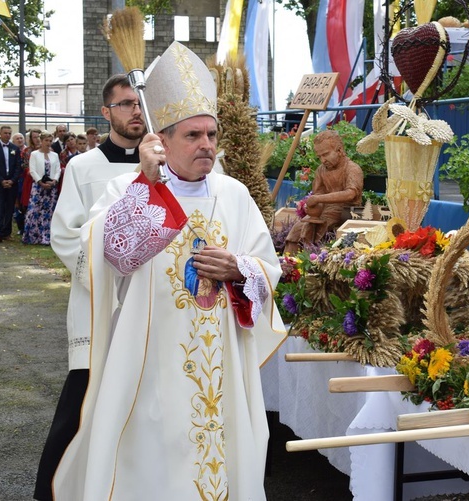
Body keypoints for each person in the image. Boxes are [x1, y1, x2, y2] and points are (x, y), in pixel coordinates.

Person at [52, 42, 285, 501]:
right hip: (151, 357)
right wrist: (146, 187)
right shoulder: (128, 188)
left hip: (220, 364)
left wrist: (239, 268)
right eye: (194, 136)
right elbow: (110, 258)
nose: (207, 146)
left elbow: (268, 269)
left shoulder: (234, 194)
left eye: (212, 136)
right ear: (164, 139)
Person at [33, 74, 148, 501]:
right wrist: (112, 272)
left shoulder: (164, 164)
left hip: (151, 304)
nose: (135, 111)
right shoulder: (83, 166)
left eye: (139, 104)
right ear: (106, 112)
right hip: (99, 303)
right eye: (125, 104)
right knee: (81, 405)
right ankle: (52, 491)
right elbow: (64, 235)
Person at [284, 129, 364, 254]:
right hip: (324, 210)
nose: (322, 160)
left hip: (347, 211)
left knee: (320, 225)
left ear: (339, 150)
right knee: (298, 229)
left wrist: (319, 199)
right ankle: (289, 263)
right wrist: (311, 204)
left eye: (326, 154)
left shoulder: (352, 168)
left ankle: (313, 259)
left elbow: (351, 193)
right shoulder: (321, 170)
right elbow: (318, 193)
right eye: (319, 156)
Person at [22, 131, 60, 245]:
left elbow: (58, 169)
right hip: (38, 187)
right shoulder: (34, 154)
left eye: (50, 141)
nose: (48, 143)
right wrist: (40, 182)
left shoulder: (55, 155)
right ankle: (33, 236)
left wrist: (54, 180)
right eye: (46, 141)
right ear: (41, 141)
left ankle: (47, 236)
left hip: (51, 187)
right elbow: (32, 170)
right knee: (35, 210)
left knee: (49, 211)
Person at [0, 125, 22, 243]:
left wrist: (12, 180)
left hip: (12, 183)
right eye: (5, 133)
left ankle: (7, 232)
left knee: (10, 208)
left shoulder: (15, 148)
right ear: (0, 134)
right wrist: (1, 180)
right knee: (0, 207)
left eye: (9, 133)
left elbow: (18, 166)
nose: (7, 135)